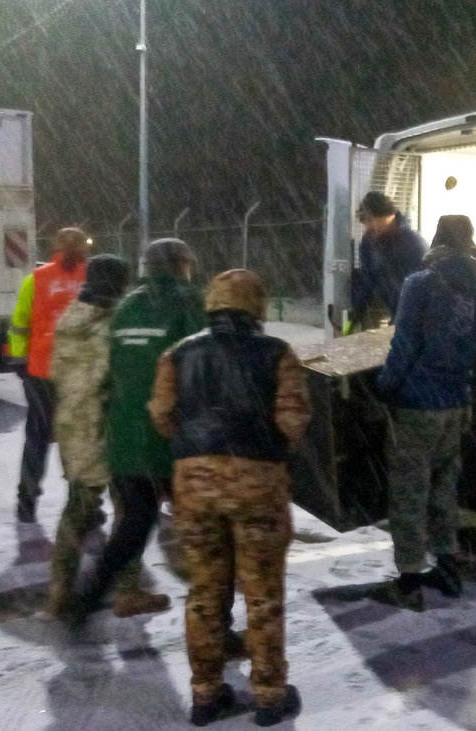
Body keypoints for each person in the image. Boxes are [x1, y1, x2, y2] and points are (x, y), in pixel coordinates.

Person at [148, 269, 312, 727]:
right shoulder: (277, 353)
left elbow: (161, 415)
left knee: (205, 590)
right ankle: (269, 694)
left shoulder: (178, 354)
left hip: (194, 487)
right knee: (262, 593)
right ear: (256, 307)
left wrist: (197, 453)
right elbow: (293, 420)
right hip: (257, 484)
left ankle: (205, 693)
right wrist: (270, 451)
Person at [376, 234, 476, 608]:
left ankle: (409, 581)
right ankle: (448, 568)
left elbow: (404, 341)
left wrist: (386, 386)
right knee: (443, 490)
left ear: (436, 243)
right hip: (457, 407)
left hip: (418, 406)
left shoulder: (420, 285)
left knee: (410, 492)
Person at [46, 254, 171, 619]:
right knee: (131, 512)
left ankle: (59, 591)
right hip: (108, 428)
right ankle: (128, 591)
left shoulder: (69, 320)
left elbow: (59, 374)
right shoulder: (114, 323)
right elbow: (123, 377)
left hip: (72, 429)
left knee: (77, 512)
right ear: (121, 283)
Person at [8, 228, 89, 523]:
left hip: (41, 370)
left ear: (55, 247)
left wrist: (19, 360)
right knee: (79, 439)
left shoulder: (36, 279)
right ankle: (83, 505)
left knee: (37, 438)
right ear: (83, 249)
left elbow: (19, 322)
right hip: (79, 373)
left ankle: (26, 502)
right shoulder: (92, 280)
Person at [349, 191, 426, 329]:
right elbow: (368, 278)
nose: (368, 226)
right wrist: (357, 308)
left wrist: (400, 321)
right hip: (390, 302)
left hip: (412, 310)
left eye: (370, 220)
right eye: (365, 222)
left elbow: (419, 289)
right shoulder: (369, 242)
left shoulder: (413, 243)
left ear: (388, 216)